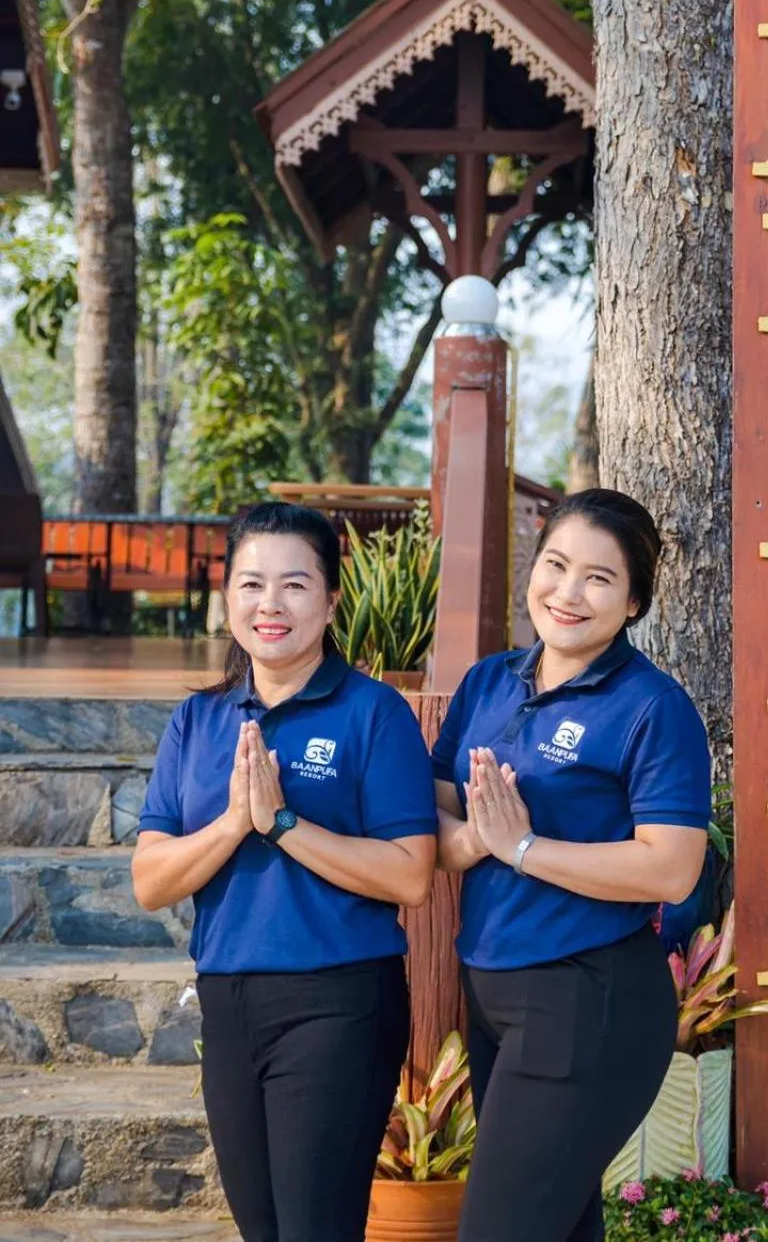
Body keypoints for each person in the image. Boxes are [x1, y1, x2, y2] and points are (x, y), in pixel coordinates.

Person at [132, 503, 437, 1242]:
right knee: (263, 1227)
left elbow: (410, 875)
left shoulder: (373, 714)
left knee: (314, 1229)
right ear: (228, 597)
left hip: (338, 1001)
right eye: (251, 584)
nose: (271, 605)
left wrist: (286, 825)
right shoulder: (198, 721)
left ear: (331, 601)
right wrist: (236, 822)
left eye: (295, 585)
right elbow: (151, 881)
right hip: (230, 1001)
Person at [433, 488, 711, 1242]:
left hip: (587, 997)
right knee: (559, 1224)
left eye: (598, 578)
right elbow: (434, 802)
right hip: (493, 994)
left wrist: (523, 849)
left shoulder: (653, 708)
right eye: (555, 565)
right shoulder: (489, 682)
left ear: (633, 603)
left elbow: (672, 869)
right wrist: (472, 840)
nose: (566, 592)